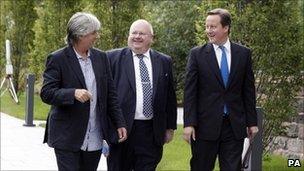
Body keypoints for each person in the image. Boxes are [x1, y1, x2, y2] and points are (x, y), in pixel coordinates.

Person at [40, 12, 127, 171]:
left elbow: (110, 95)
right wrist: (72, 93)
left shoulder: (101, 57)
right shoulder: (58, 58)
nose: (97, 36)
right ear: (81, 34)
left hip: (94, 135)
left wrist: (119, 122)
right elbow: (46, 93)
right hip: (67, 136)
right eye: (93, 32)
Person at [183, 8, 259, 171]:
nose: (208, 31)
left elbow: (248, 91)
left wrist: (252, 122)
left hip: (234, 126)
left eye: (213, 27)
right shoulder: (197, 54)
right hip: (204, 127)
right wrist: (189, 123)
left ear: (226, 28)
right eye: (207, 26)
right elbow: (190, 92)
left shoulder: (243, 54)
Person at [106, 19, 177, 171]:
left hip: (151, 131)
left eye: (142, 33)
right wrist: (105, 130)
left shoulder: (164, 61)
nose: (137, 36)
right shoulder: (111, 58)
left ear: (152, 37)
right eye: (134, 33)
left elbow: (170, 96)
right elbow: (103, 97)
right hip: (121, 130)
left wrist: (170, 127)